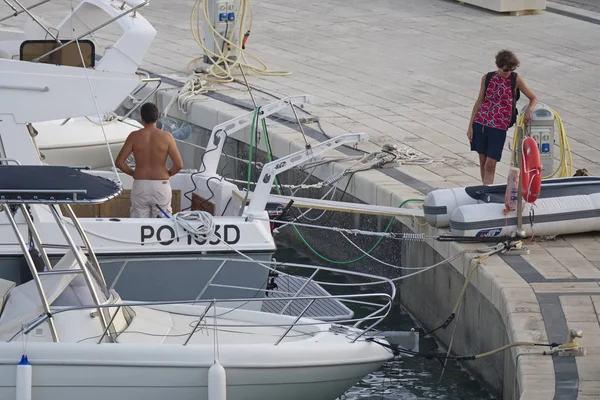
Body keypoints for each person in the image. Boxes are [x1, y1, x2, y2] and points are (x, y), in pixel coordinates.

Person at [467, 50, 537, 185]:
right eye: (505, 70)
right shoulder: (487, 78)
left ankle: (488, 190)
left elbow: (533, 97)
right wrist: (470, 125)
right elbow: (479, 101)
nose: (507, 72)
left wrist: (529, 110)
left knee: (490, 163)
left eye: (511, 69)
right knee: (482, 161)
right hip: (481, 122)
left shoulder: (515, 79)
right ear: (498, 66)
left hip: (499, 127)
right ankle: (485, 189)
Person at [115, 102, 183, 218]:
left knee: (139, 223)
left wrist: (133, 172)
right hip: (161, 184)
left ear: (142, 118)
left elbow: (119, 162)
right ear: (157, 117)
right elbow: (179, 165)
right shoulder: (167, 137)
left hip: (141, 184)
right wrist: (167, 173)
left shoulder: (134, 136)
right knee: (162, 224)